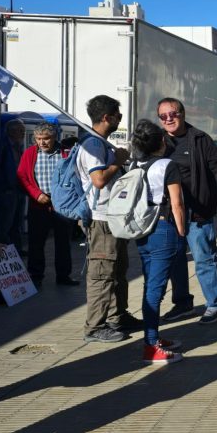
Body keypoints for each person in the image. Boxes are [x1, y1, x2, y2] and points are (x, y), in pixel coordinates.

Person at [157, 98, 217, 325]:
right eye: (163, 116)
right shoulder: (158, 142)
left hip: (196, 211)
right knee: (175, 260)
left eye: (173, 114)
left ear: (182, 114)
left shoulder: (199, 139)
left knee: (204, 259)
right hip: (168, 212)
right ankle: (182, 304)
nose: (169, 119)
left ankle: (215, 305)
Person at [77, 95, 141, 343]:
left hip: (113, 218)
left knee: (117, 270)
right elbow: (99, 180)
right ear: (107, 117)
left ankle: (117, 315)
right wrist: (118, 162)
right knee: (102, 274)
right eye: (118, 116)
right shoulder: (93, 145)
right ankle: (95, 326)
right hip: (101, 219)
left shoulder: (101, 143)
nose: (119, 120)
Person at [131, 119, 188, 364]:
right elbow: (177, 203)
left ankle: (152, 337)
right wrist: (182, 232)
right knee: (156, 289)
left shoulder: (135, 164)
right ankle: (150, 345)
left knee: (150, 285)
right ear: (162, 141)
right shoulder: (168, 165)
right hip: (163, 227)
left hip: (142, 228)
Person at [16, 122, 78, 287]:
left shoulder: (66, 152)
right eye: (38, 138)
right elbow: (22, 176)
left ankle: (63, 276)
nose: (42, 142)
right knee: (36, 242)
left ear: (55, 137)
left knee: (63, 242)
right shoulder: (30, 153)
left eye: (46, 138)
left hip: (62, 205)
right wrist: (36, 194)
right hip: (39, 205)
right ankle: (36, 276)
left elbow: (76, 176)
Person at [0, 119, 26, 252]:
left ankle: (17, 250)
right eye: (20, 131)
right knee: (5, 223)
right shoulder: (1, 146)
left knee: (17, 222)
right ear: (11, 132)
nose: (23, 133)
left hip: (19, 190)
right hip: (7, 192)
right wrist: (4, 188)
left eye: (23, 131)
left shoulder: (19, 146)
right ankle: (4, 251)